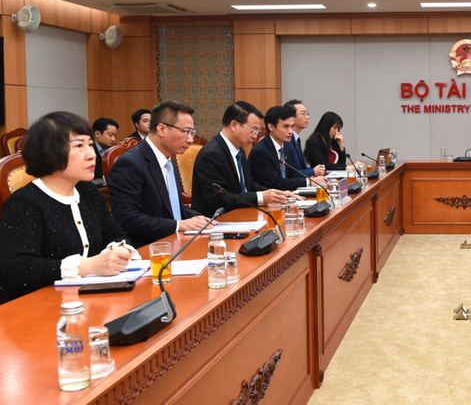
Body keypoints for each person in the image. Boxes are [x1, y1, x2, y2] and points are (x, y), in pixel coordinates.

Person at [0, 112, 138, 304]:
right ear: (49, 152)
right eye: (79, 146)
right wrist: (87, 266)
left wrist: (118, 250)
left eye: (90, 145)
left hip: (90, 299)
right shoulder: (23, 203)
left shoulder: (88, 192)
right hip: (39, 306)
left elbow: (116, 234)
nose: (92, 155)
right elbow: (18, 270)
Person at [108, 101, 213, 249]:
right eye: (185, 131)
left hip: (177, 241)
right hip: (151, 248)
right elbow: (127, 218)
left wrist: (197, 218)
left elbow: (172, 209)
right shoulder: (130, 163)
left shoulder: (170, 161)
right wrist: (179, 225)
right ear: (162, 129)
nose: (190, 140)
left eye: (192, 133)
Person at [191, 101, 294, 215]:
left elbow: (248, 185)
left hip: (241, 214)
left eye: (257, 131)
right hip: (218, 220)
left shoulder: (239, 150)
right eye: (253, 130)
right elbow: (217, 199)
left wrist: (275, 194)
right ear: (234, 125)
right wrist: (260, 197)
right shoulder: (212, 154)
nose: (255, 136)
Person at [249, 105, 326, 191]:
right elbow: (275, 183)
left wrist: (313, 179)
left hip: (286, 194)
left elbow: (292, 174)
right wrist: (308, 182)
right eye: (286, 127)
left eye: (292, 126)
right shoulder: (260, 152)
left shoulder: (285, 147)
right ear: (271, 127)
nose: (290, 131)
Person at [283, 99, 325, 178]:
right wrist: (313, 171)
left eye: (307, 113)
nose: (307, 117)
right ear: (291, 117)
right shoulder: (286, 141)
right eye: (303, 114)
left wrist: (314, 171)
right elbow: (293, 173)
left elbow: (301, 168)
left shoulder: (296, 139)